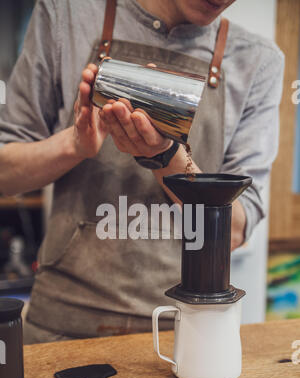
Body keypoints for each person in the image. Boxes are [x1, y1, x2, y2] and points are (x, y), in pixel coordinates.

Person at [0, 0, 284, 344]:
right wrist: (75, 145)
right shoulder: (65, 15)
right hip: (61, 326)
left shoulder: (259, 61)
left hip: (184, 333)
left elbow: (234, 231)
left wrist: (165, 156)